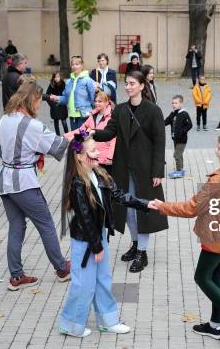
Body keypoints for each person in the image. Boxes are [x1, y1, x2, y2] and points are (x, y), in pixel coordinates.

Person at [154, 130, 220, 343]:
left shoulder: (218, 181)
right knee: (217, 277)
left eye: (218, 147)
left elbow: (192, 208)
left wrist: (163, 206)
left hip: (216, 237)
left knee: (202, 277)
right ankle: (214, 325)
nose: (215, 150)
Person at [58, 132, 154, 338]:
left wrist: (146, 204)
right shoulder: (77, 183)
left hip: (98, 236)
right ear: (80, 157)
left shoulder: (99, 174)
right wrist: (96, 246)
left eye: (96, 148)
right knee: (84, 283)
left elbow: (120, 195)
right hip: (86, 240)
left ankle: (108, 321)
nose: (97, 152)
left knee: (103, 279)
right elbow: (84, 217)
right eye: (92, 150)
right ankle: (72, 325)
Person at [0, 82, 71, 290]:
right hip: (23, 182)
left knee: (16, 226)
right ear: (32, 100)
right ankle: (62, 269)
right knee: (46, 223)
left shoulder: (4, 119)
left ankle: (16, 276)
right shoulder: (33, 125)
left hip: (4, 180)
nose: (39, 106)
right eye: (38, 101)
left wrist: (30, 152)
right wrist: (73, 135)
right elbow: (57, 146)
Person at [92, 70, 167, 273]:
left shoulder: (153, 111)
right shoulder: (121, 110)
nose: (128, 86)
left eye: (133, 83)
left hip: (145, 169)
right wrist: (93, 132)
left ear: (142, 86)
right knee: (127, 211)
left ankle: (142, 252)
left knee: (143, 211)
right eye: (126, 83)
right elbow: (109, 132)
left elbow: (160, 143)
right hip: (123, 167)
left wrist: (158, 171)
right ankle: (135, 243)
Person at [66, 91, 115, 173]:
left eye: (100, 101)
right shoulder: (93, 116)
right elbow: (81, 129)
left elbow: (113, 140)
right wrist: (67, 136)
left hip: (105, 158)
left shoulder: (111, 118)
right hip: (93, 156)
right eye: (95, 101)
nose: (96, 103)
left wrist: (110, 157)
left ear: (107, 103)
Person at [50, 56, 96, 131]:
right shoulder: (68, 81)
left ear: (82, 65)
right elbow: (66, 98)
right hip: (72, 116)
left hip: (84, 116)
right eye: (73, 64)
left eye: (77, 64)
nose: (74, 66)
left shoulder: (88, 80)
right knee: (75, 139)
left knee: (83, 139)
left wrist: (94, 113)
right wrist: (57, 98)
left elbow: (93, 99)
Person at [164, 95, 193, 179]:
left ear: (181, 104)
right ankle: (181, 168)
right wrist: (159, 124)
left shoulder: (184, 114)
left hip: (182, 139)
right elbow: (166, 121)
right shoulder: (172, 114)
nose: (174, 105)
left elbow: (190, 125)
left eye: (176, 103)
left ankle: (179, 172)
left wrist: (182, 132)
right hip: (175, 139)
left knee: (176, 155)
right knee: (179, 155)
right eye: (173, 103)